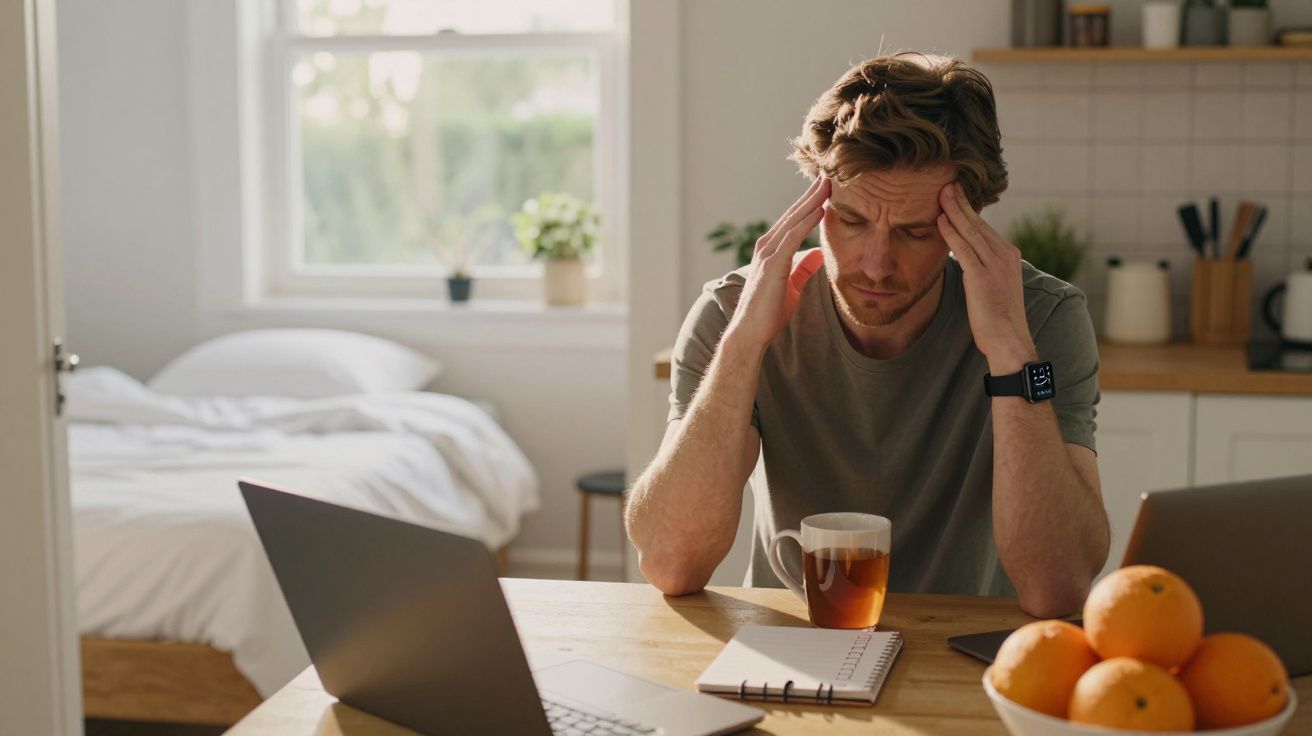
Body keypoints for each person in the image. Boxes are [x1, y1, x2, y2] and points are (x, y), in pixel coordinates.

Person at [624, 52, 1108, 618]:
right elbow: (670, 562)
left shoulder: (1041, 320)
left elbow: (1060, 587)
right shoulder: (733, 313)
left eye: (914, 231)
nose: (877, 264)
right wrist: (743, 346)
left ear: (967, 222)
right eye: (852, 221)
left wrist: (1011, 352)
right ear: (815, 201)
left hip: (970, 652)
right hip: (794, 646)